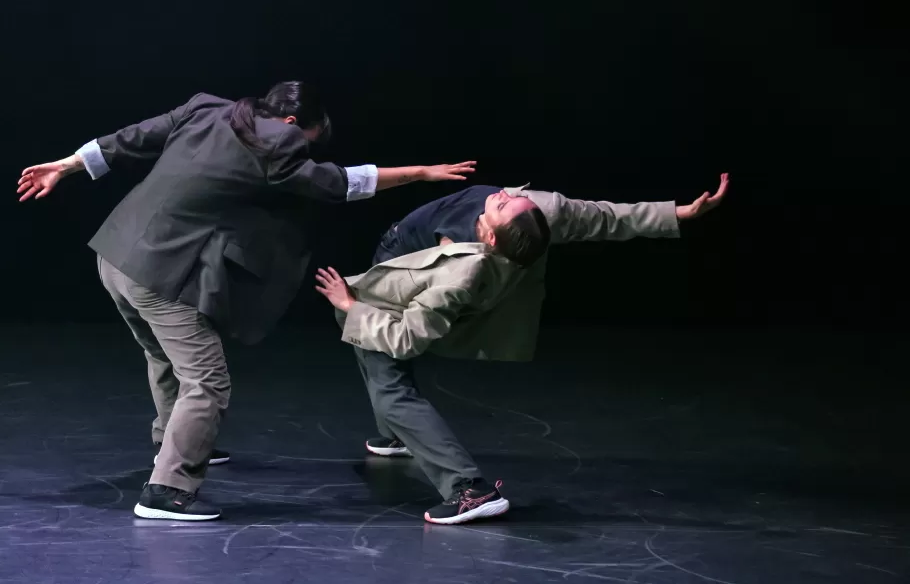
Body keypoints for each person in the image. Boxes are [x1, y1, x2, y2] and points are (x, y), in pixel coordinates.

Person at [17, 81, 476, 521]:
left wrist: (66, 165)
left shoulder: (206, 107)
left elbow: (131, 139)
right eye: (308, 139)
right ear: (291, 120)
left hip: (115, 254)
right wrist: (420, 173)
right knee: (207, 381)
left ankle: (171, 445)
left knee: (162, 354)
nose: (305, 149)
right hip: (157, 272)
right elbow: (337, 184)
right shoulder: (279, 142)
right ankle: (168, 491)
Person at [315, 174, 728, 525]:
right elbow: (602, 217)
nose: (507, 194)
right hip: (401, 255)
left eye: (503, 205)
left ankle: (468, 488)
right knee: (379, 363)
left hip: (405, 281)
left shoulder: (458, 272)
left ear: (488, 235)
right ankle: (395, 435)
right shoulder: (536, 210)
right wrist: (678, 213)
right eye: (512, 198)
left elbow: (406, 336)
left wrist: (352, 307)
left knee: (387, 378)